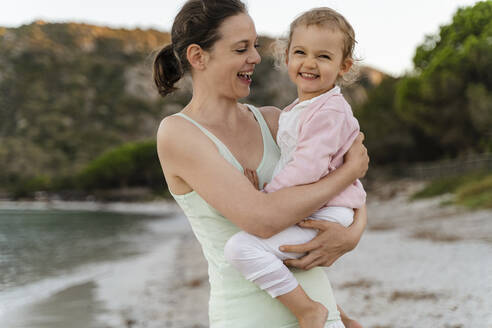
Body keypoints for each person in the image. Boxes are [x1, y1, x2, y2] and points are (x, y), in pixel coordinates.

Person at [154, 1, 368, 327]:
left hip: (323, 315)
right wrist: (350, 171)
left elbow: (338, 191)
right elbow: (264, 221)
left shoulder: (273, 121)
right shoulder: (179, 134)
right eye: (241, 48)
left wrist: (354, 233)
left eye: (254, 46)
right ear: (198, 57)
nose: (255, 57)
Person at [224, 7, 365, 328]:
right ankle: (340, 317)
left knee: (240, 249)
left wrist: (266, 196)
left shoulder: (329, 111)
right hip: (322, 205)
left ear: (344, 66)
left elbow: (307, 168)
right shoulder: (298, 109)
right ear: (286, 57)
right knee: (269, 251)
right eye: (300, 52)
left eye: (324, 56)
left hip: (327, 210)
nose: (310, 63)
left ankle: (309, 311)